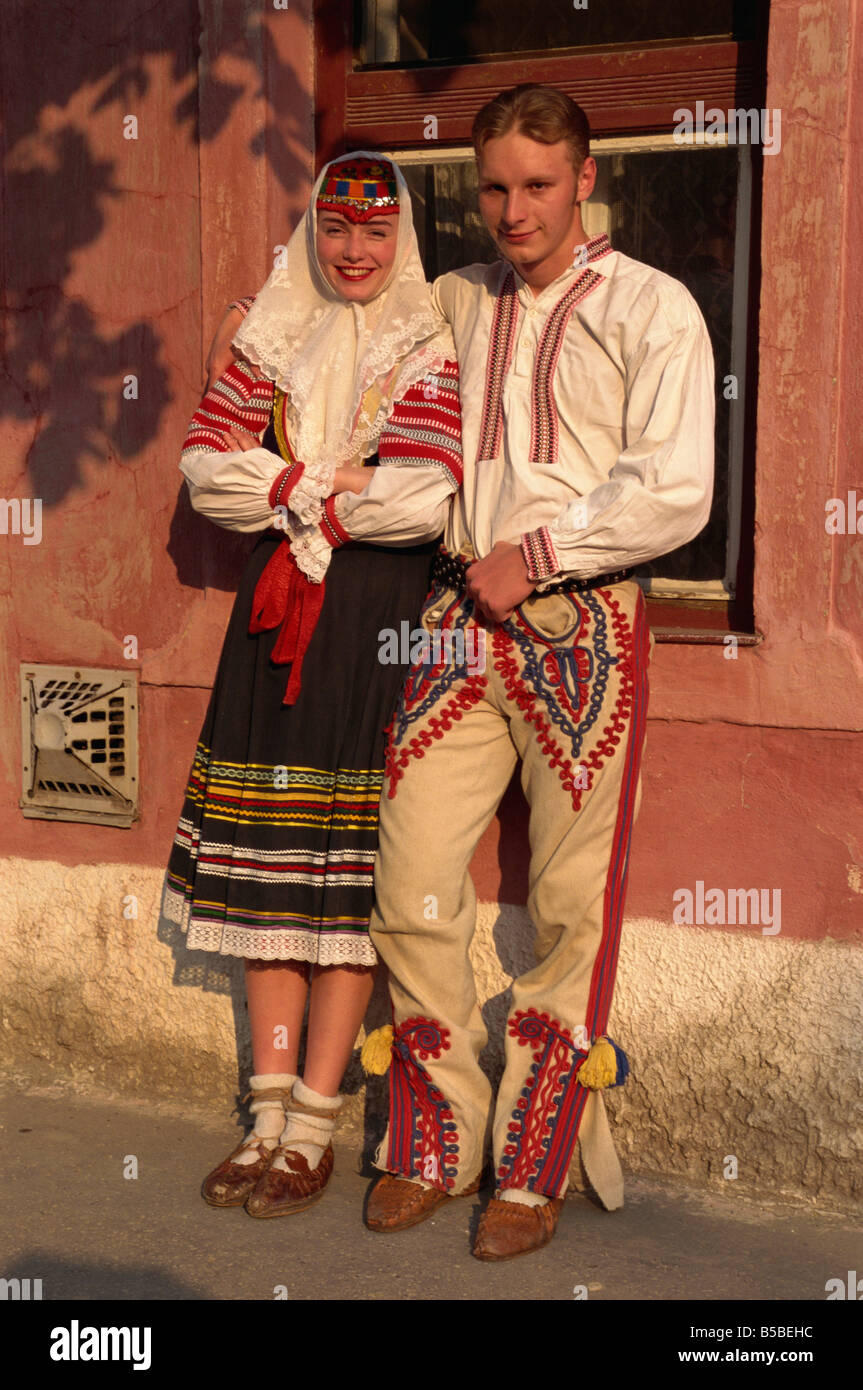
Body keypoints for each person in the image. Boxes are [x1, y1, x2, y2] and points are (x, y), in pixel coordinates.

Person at [356, 85, 715, 1259]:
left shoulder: (651, 309)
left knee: (568, 905)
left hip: (582, 623)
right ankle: (435, 1133)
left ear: (585, 181)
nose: (513, 210)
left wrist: (543, 551)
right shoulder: (452, 300)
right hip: (454, 615)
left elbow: (676, 488)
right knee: (407, 871)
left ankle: (535, 1155)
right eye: (494, 188)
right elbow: (339, 315)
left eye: (536, 186)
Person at [163, 152, 462, 1218]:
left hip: (373, 620)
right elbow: (207, 470)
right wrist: (312, 481)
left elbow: (423, 501)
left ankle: (315, 1127)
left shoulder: (427, 342)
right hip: (274, 613)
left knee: (338, 880)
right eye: (336, 229)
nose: (353, 251)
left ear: (402, 237)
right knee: (266, 873)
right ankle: (264, 1115)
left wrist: (311, 502)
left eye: (374, 233)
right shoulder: (269, 327)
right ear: (314, 230)